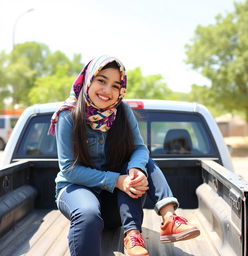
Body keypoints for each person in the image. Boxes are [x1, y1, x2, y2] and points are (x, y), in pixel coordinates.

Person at [49, 55, 200, 256]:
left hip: (115, 208)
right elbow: (69, 169)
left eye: (115, 86)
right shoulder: (68, 115)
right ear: (88, 80)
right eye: (101, 81)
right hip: (77, 192)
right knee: (87, 214)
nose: (107, 91)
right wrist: (117, 180)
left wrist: (134, 170)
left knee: (141, 163)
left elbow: (139, 148)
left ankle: (167, 219)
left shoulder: (121, 110)